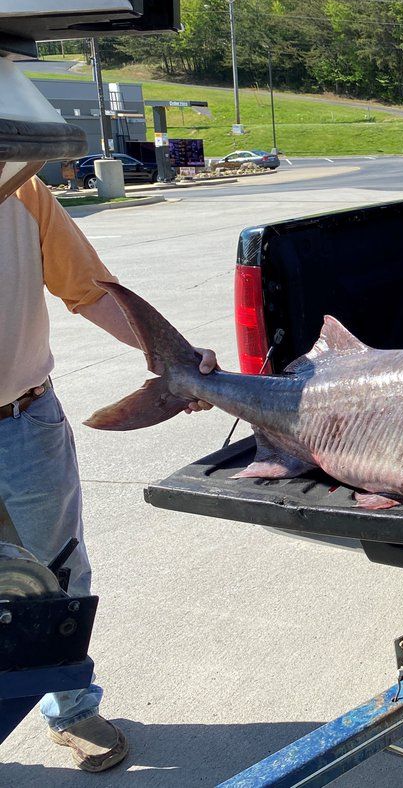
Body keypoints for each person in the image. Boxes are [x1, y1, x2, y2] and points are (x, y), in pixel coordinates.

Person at [0, 175, 217, 772]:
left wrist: (173, 357)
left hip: (22, 418)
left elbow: (90, 291)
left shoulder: (23, 191)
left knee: (57, 568)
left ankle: (70, 708)